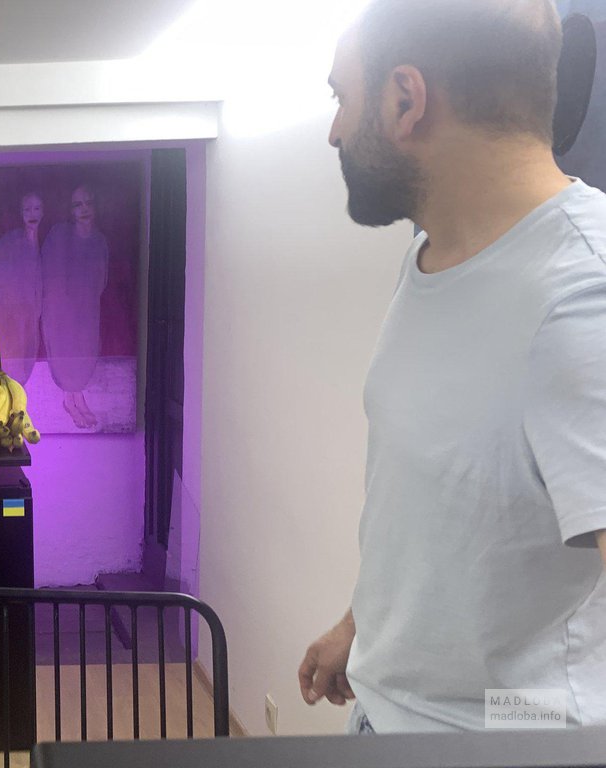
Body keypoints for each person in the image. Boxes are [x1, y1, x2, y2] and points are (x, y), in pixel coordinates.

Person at [299, 0, 606, 733]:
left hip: (490, 740)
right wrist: (365, 629)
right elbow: (443, 502)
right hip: (384, 715)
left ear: (406, 100)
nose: (334, 130)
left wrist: (499, 724)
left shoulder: (582, 299)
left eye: (342, 97)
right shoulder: (429, 254)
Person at [40, 184, 108, 429]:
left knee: (85, 350)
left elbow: (101, 279)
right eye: (78, 204)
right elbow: (50, 275)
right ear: (70, 210)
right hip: (61, 310)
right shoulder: (59, 234)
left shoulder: (99, 240)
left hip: (87, 309)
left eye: (88, 203)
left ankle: (77, 398)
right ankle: (70, 400)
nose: (84, 209)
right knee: (66, 351)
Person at [0, 191, 45, 383]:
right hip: (12, 315)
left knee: (27, 355)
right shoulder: (12, 240)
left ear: (42, 212)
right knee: (12, 359)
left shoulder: (45, 241)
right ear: (21, 213)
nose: (32, 214)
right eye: (27, 209)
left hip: (31, 314)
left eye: (36, 209)